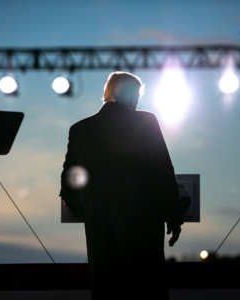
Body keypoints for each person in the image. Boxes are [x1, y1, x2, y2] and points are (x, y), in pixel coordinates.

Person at [60, 71, 184, 299]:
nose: (137, 100)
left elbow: (69, 178)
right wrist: (173, 215)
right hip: (144, 221)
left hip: (101, 223)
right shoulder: (146, 122)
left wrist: (84, 209)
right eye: (135, 94)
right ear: (124, 93)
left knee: (107, 288)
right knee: (147, 289)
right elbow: (163, 171)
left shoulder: (80, 129)